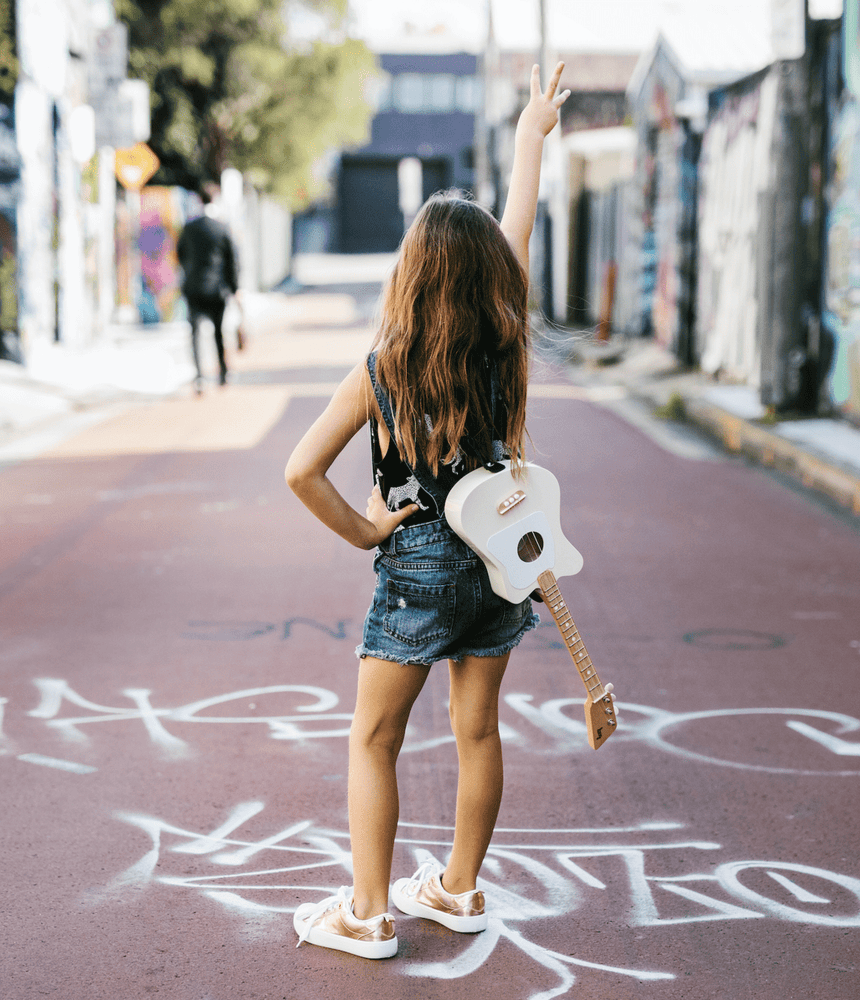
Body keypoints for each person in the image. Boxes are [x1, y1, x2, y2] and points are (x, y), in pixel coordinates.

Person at [284, 63, 570, 960]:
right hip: (499, 559)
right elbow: (514, 230)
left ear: (409, 273)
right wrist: (530, 139)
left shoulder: (381, 370)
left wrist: (369, 528)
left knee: (375, 738)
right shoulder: (504, 346)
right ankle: (456, 889)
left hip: (417, 569)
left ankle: (368, 913)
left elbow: (302, 472)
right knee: (477, 729)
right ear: (490, 274)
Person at [176, 185, 238, 391]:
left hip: (193, 288)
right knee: (218, 332)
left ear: (199, 201)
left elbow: (180, 254)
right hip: (217, 289)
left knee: (195, 332)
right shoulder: (222, 228)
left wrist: (189, 272)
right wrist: (234, 288)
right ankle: (223, 373)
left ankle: (200, 375)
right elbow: (232, 262)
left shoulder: (189, 228)